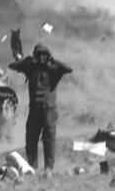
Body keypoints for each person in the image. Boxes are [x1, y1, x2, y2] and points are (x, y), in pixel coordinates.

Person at [8, 42, 73, 172]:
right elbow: (12, 65)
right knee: (31, 140)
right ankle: (32, 167)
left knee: (49, 140)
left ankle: (48, 168)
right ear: (35, 56)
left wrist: (53, 61)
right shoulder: (31, 68)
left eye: (44, 55)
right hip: (34, 110)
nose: (42, 57)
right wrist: (26, 61)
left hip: (49, 111)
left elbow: (68, 69)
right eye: (39, 55)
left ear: (48, 56)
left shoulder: (53, 69)